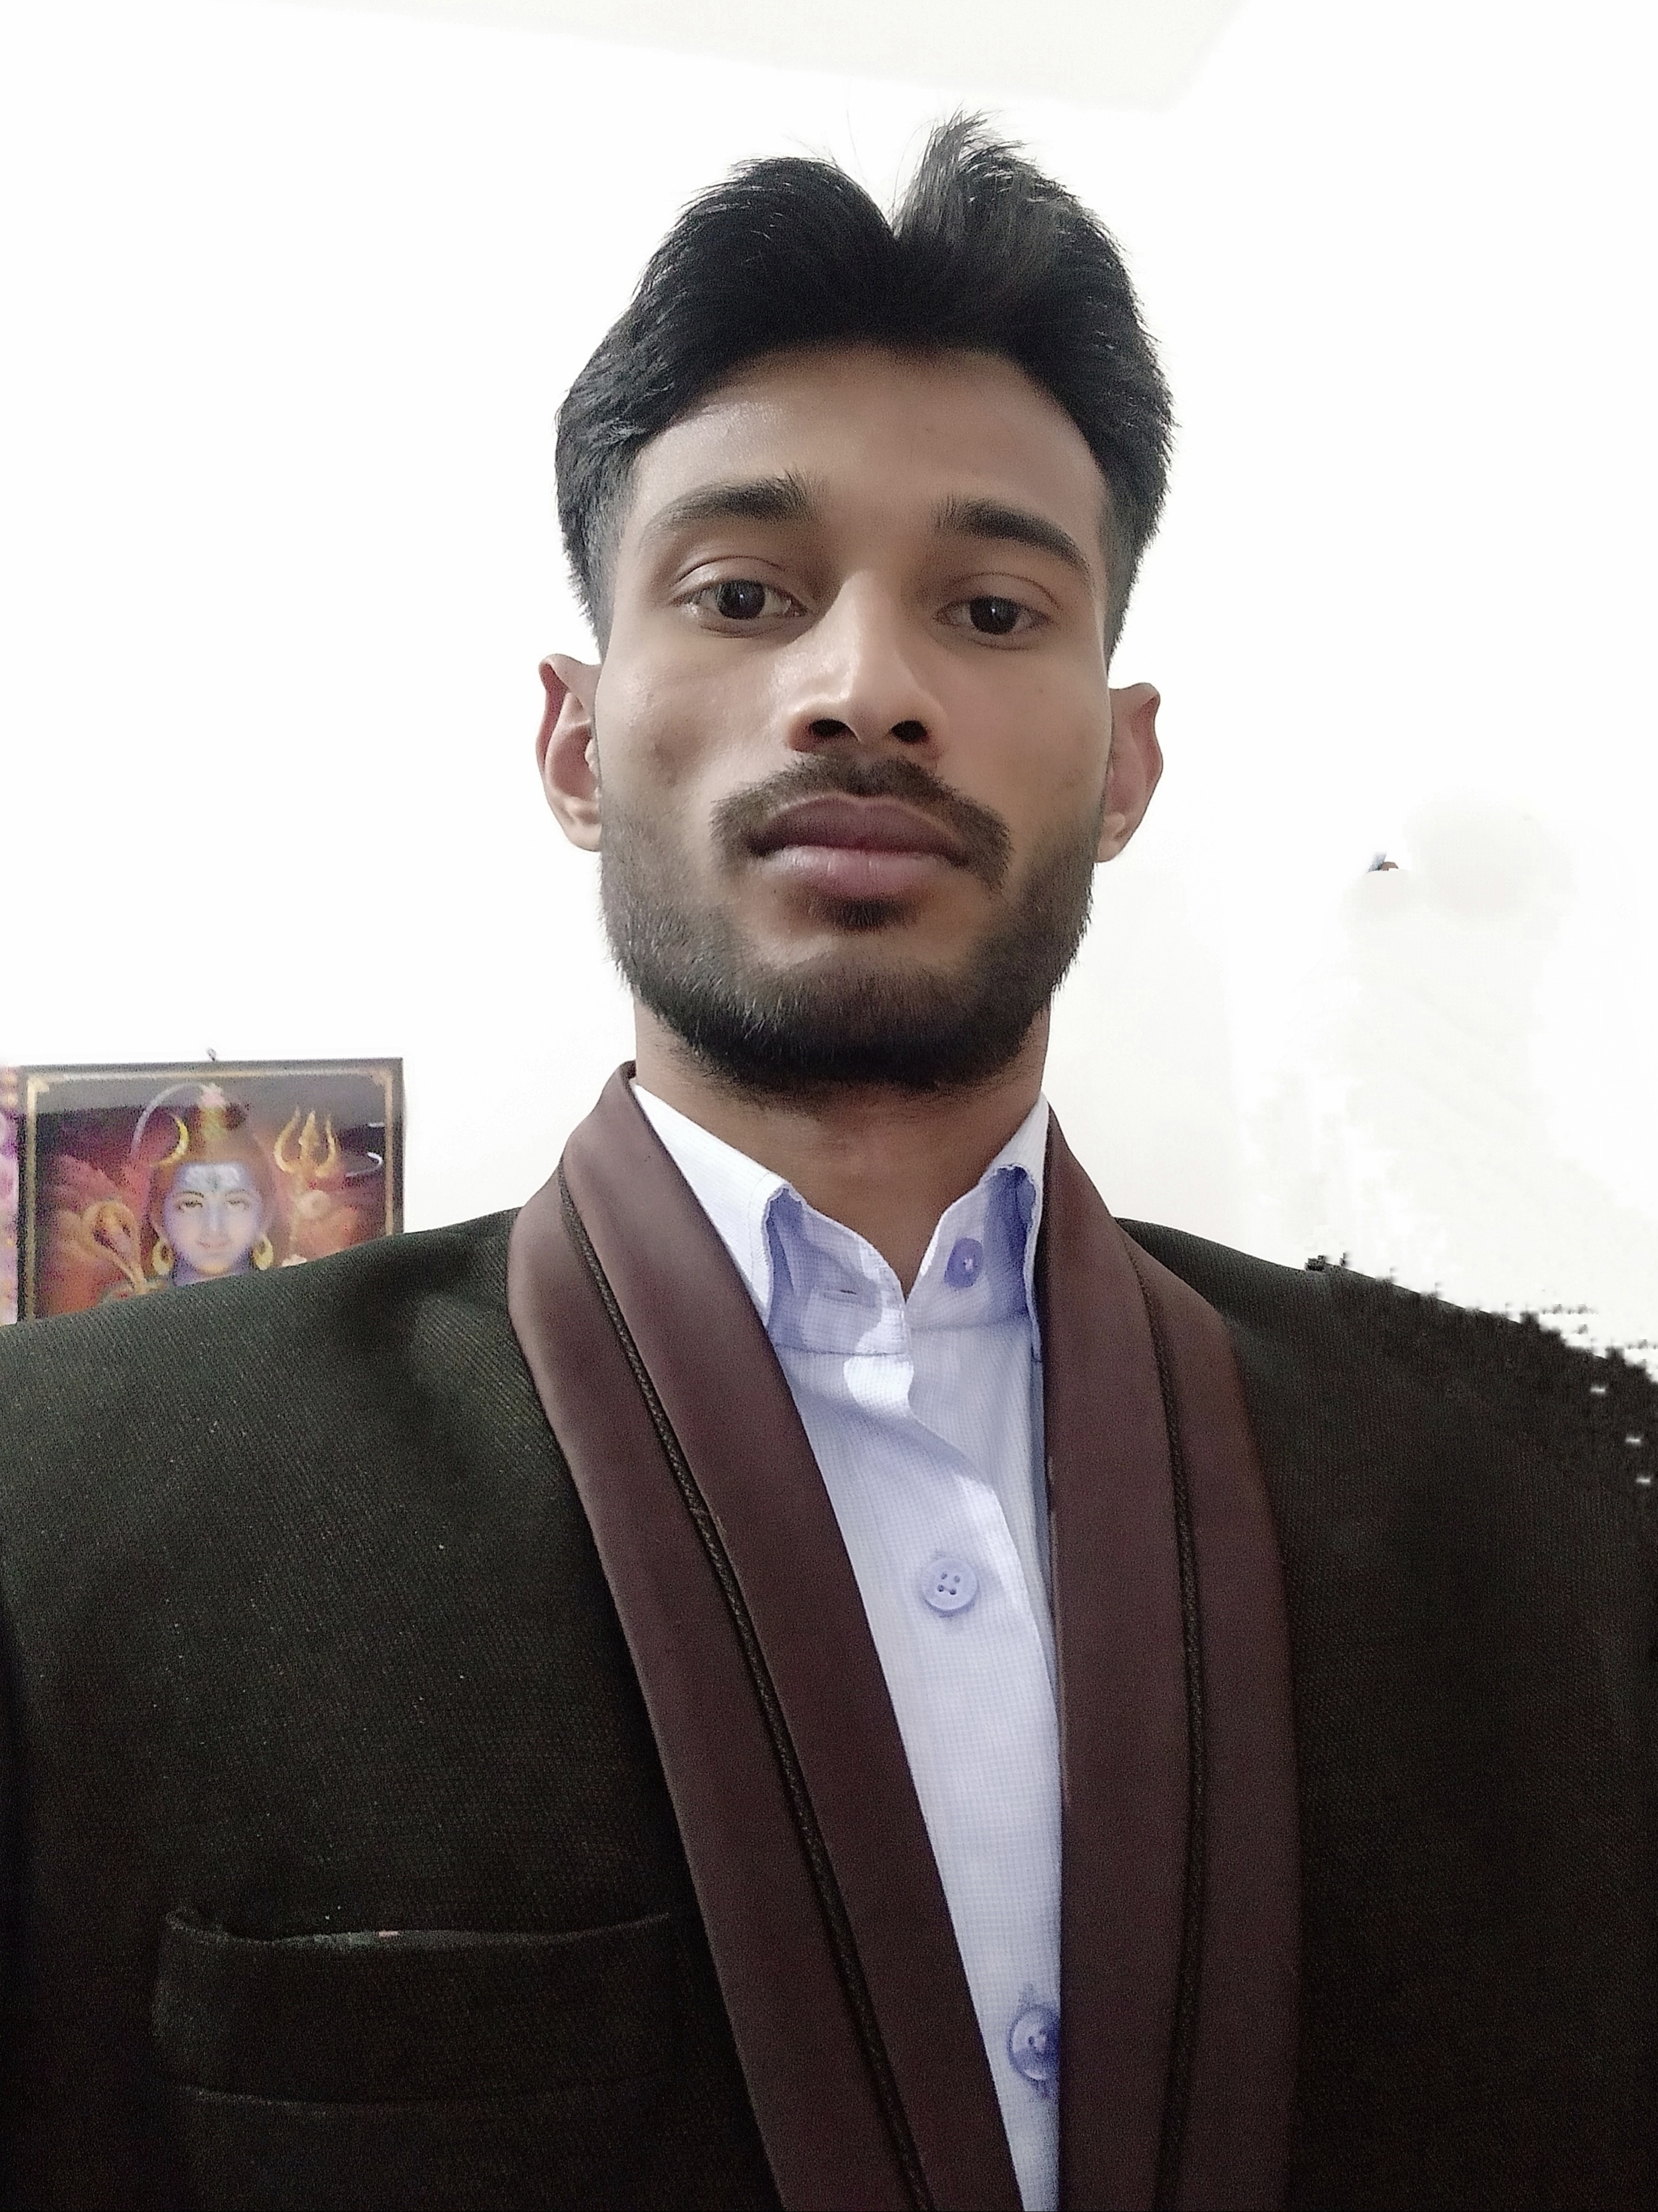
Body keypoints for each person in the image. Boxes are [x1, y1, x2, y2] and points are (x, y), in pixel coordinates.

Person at [0, 118, 1653, 2212]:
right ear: (574, 741)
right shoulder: (60, 1512)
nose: (863, 688)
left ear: (1123, 763)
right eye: (742, 595)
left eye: (991, 606)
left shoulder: (1541, 1502)